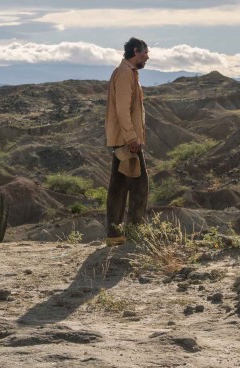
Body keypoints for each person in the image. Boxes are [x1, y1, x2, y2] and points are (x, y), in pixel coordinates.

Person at [105, 37, 150, 246]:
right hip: (126, 141)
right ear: (135, 51)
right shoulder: (124, 74)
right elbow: (122, 110)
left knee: (119, 186)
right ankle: (133, 233)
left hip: (125, 139)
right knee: (139, 186)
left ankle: (116, 235)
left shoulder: (128, 72)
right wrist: (132, 138)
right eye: (145, 53)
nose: (147, 57)